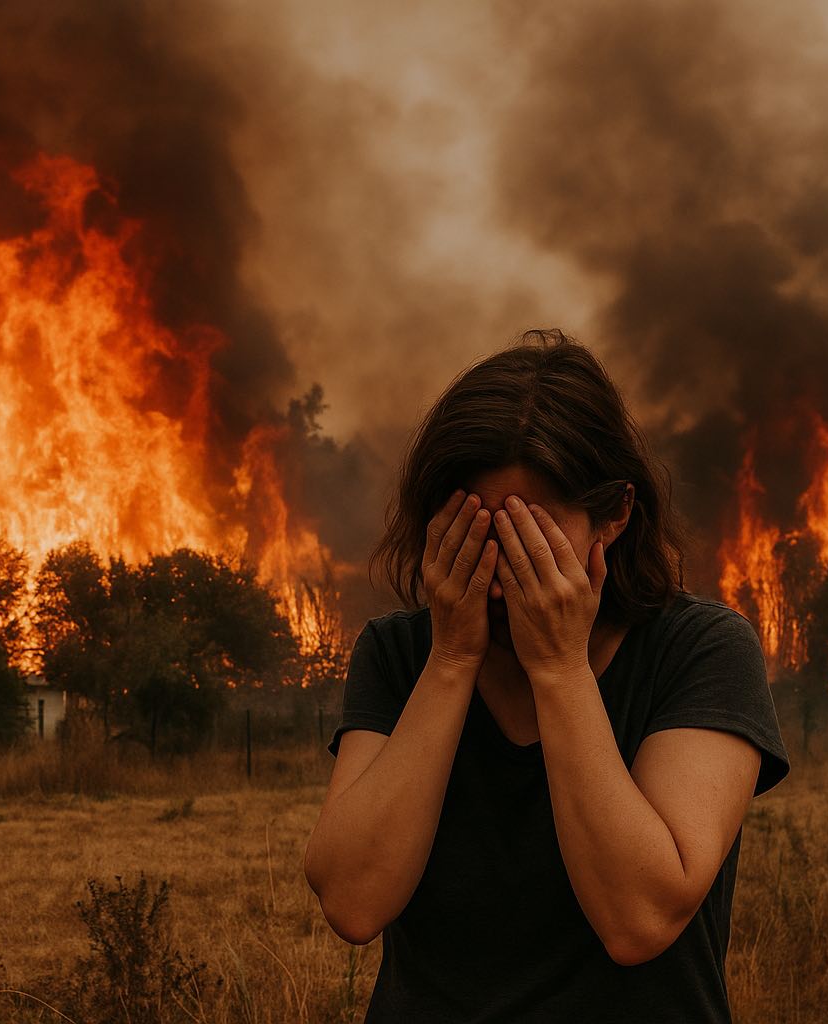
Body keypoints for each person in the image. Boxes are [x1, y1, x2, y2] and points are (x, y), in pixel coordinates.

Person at [303, 329, 789, 1023]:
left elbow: (640, 920)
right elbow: (353, 903)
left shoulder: (701, 649)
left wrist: (559, 669)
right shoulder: (399, 656)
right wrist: (451, 661)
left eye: (534, 531)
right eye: (477, 529)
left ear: (614, 515)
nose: (504, 564)